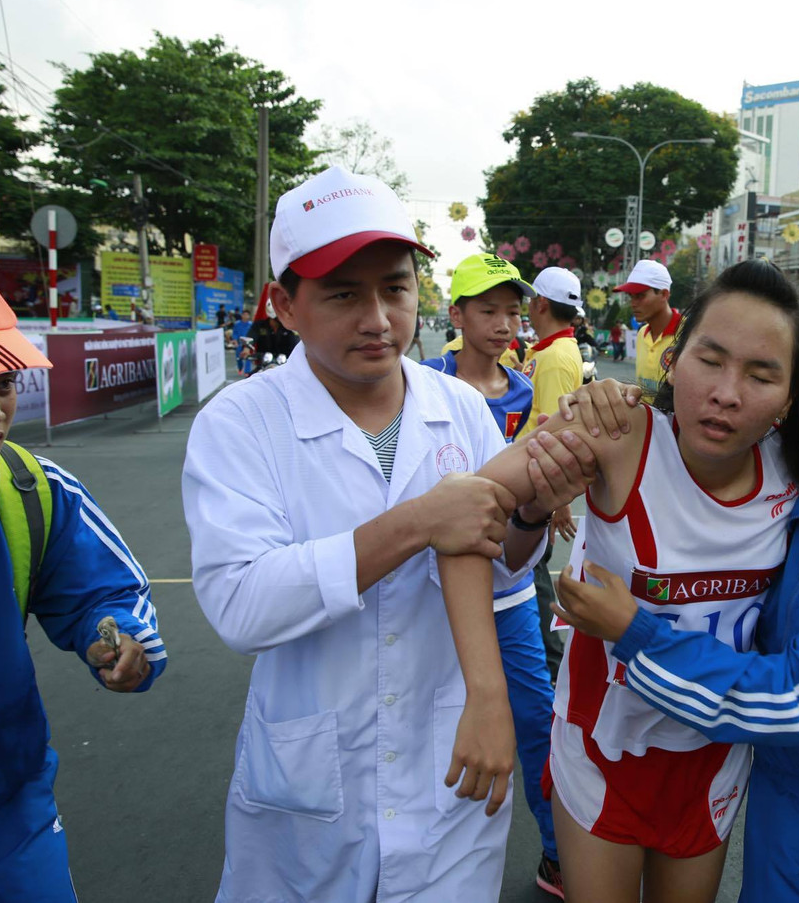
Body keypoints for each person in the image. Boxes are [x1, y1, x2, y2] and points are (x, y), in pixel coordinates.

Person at [181, 167, 590, 902]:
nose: (378, 318)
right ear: (285, 305)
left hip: (449, 770)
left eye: (395, 289)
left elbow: (500, 573)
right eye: (344, 294)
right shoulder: (241, 423)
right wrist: (415, 524)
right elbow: (243, 605)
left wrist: (530, 515)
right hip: (310, 785)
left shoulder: (459, 409)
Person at [467, 261, 799, 903]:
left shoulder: (796, 467)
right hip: (603, 751)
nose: (727, 393)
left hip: (715, 758)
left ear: (791, 398)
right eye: (710, 360)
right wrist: (484, 692)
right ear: (674, 357)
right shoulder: (613, 431)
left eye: (762, 374)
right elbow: (463, 513)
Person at [0, 242, 166, 900]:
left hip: (9, 815)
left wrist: (118, 637)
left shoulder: (33, 487)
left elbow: (105, 589)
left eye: (5, 382)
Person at [420, 252, 564, 897]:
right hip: (436, 592)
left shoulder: (524, 387)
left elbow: (524, 467)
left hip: (510, 583)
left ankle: (559, 853)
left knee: (534, 718)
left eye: (512, 310)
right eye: (488, 310)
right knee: (431, 718)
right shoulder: (421, 381)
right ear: (456, 315)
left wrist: (543, 500)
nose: (505, 323)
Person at [517, 266, 587, 681]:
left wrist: (558, 501)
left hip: (536, 485)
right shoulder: (547, 350)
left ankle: (550, 663)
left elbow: (555, 430)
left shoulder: (557, 357)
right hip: (529, 479)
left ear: (540, 303)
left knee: (534, 573)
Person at [615, 259, 678, 403]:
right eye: (631, 296)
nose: (633, 303)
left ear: (664, 294)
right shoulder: (642, 334)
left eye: (640, 296)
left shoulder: (688, 334)